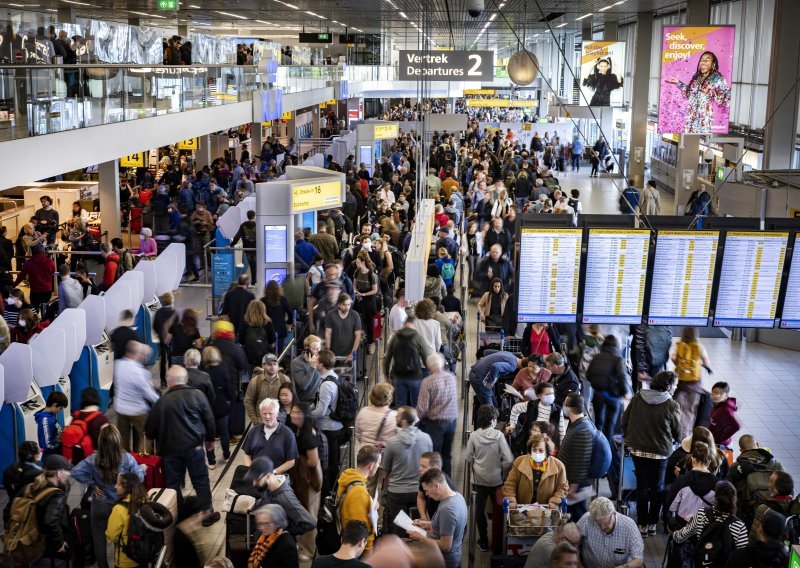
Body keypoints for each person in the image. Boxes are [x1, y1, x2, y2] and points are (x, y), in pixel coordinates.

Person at [145, 365, 220, 526]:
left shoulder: (162, 401)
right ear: (185, 379)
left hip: (169, 452)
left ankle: (178, 517)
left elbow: (149, 430)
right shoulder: (197, 395)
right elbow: (209, 419)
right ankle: (207, 514)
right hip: (194, 448)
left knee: (173, 485)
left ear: (169, 381)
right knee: (200, 481)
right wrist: (210, 440)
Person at [72, 425, 146, 568]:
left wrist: (94, 484)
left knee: (99, 539)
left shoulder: (93, 459)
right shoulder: (127, 458)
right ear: (118, 441)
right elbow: (138, 478)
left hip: (99, 504)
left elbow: (76, 472)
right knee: (121, 537)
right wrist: (142, 468)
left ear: (100, 442)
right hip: (120, 506)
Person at [622, 371, 681, 537]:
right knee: (657, 488)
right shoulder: (672, 405)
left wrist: (629, 437)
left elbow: (624, 420)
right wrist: (676, 440)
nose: (676, 388)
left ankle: (641, 524)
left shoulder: (638, 397)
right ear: (668, 386)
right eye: (675, 384)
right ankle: (652, 523)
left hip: (637, 449)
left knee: (642, 486)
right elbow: (678, 432)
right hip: (660, 452)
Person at [466, 405, 514, 551]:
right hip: (496, 480)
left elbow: (468, 457)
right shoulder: (499, 436)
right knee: (499, 511)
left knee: (479, 512)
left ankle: (484, 541)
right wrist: (502, 472)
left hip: (479, 480)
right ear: (493, 420)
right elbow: (509, 459)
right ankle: (498, 542)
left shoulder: (474, 436)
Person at [383, 407, 433, 536]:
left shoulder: (392, 443)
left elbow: (386, 469)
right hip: (419, 491)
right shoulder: (427, 438)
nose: (395, 417)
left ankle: (402, 552)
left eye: (398, 416)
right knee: (418, 529)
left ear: (404, 421)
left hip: (397, 493)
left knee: (400, 530)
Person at [670, 480, 747, 562]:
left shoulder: (702, 514)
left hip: (704, 561)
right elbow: (742, 557)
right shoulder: (739, 525)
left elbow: (683, 535)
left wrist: (673, 535)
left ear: (715, 496)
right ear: (734, 499)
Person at [408, 467, 468, 568]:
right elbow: (448, 525)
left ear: (436, 486)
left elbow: (445, 546)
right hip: (453, 555)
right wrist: (426, 524)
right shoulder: (458, 496)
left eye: (427, 490)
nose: (427, 494)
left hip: (443, 560)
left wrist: (420, 537)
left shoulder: (447, 509)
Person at [288, 402, 324, 559]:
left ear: (306, 415)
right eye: (293, 412)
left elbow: (313, 461)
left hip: (311, 477)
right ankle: (304, 545)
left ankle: (309, 550)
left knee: (309, 513)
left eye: (299, 412)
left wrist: (296, 463)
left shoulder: (308, 434)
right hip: (306, 475)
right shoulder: (301, 429)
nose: (294, 415)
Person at [246, 457, 316, 538]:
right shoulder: (269, 486)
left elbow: (309, 523)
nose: (254, 484)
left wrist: (283, 532)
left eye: (257, 480)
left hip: (277, 543)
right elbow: (267, 498)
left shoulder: (285, 498)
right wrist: (255, 506)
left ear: (268, 475)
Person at [23, 454, 73, 568]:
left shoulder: (30, 487)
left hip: (31, 543)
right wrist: (59, 543)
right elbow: (50, 520)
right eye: (67, 471)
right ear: (59, 473)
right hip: (48, 550)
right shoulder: (56, 495)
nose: (69, 475)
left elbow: (9, 510)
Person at [666, 51, 731, 133]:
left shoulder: (717, 78)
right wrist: (678, 82)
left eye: (707, 60)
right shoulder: (697, 77)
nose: (703, 62)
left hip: (703, 120)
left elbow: (722, 100)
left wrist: (731, 92)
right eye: (701, 60)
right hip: (690, 117)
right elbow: (689, 94)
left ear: (713, 63)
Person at [728, 434, 784, 523]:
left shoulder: (735, 467)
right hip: (774, 515)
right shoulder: (776, 465)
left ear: (741, 450)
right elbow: (787, 488)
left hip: (746, 515)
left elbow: (730, 494)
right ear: (757, 444)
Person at [114, 341, 159, 453]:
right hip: (138, 411)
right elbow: (149, 394)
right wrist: (162, 401)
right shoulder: (140, 372)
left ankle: (125, 461)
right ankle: (143, 461)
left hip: (120, 408)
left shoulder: (117, 364)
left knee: (123, 439)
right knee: (145, 437)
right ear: (136, 354)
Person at [335, 445, 382, 552]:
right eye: (378, 463)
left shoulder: (348, 477)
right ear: (371, 466)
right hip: (357, 548)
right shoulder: (358, 491)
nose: (379, 466)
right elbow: (361, 529)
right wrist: (368, 549)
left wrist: (370, 503)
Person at [311, 349, 346, 489]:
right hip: (335, 426)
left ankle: (329, 491)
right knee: (333, 462)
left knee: (330, 464)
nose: (314, 360)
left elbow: (321, 411)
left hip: (328, 428)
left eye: (316, 359)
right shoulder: (333, 377)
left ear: (321, 364)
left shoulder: (326, 384)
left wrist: (306, 414)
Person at [576, 497, 644, 568]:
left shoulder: (629, 526)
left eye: (606, 522)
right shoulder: (586, 519)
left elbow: (638, 560)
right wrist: (579, 564)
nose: (602, 527)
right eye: (598, 523)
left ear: (614, 513)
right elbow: (571, 543)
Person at [586, 335, 630, 441]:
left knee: (598, 423)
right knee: (610, 425)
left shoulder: (596, 357)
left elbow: (588, 375)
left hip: (598, 394)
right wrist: (625, 391)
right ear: (617, 346)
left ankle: (597, 446)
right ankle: (608, 450)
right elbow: (622, 376)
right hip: (612, 396)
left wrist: (598, 383)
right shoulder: (618, 359)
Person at [671, 326, 712, 438]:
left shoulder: (679, 345)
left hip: (682, 383)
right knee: (690, 410)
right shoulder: (699, 347)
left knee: (678, 407)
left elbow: (673, 359)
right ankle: (687, 435)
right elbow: (707, 362)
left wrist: (680, 365)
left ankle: (677, 433)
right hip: (695, 383)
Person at [559, 394, 595, 520]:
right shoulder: (577, 424)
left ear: (569, 407)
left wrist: (573, 486)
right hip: (572, 483)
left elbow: (581, 461)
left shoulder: (582, 430)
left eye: (565, 404)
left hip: (577, 486)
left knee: (578, 518)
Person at [666, 441, 719, 525]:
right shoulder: (717, 484)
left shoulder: (681, 480)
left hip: (682, 525)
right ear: (709, 462)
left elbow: (670, 506)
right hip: (705, 529)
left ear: (692, 460)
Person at [242, 398, 299, 474]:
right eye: (264, 413)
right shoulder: (254, 431)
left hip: (277, 476)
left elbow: (291, 461)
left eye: (270, 413)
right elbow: (247, 454)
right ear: (260, 413)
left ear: (277, 414)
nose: (267, 417)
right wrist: (251, 470)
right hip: (256, 476)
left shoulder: (287, 434)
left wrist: (273, 472)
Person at [508, 382, 566, 455]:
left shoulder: (557, 410)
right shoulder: (531, 405)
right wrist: (512, 425)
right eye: (547, 394)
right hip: (531, 443)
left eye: (552, 393)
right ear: (539, 396)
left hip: (548, 445)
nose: (550, 396)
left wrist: (561, 446)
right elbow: (515, 408)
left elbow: (561, 430)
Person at [202, 346, 235, 467]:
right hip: (222, 406)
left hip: (207, 408)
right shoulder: (223, 370)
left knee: (208, 435)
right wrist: (229, 401)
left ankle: (211, 461)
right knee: (224, 433)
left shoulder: (203, 372)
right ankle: (226, 455)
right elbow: (229, 389)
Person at [2, 441, 42, 524]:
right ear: (36, 456)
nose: (41, 450)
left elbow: (7, 486)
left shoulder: (11, 468)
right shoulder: (38, 475)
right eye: (39, 450)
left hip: (11, 508)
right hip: (27, 513)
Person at [14, 244, 55, 312]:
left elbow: (21, 276)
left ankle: (35, 321)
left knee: (34, 310)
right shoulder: (50, 262)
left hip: (35, 290)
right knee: (45, 308)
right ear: (44, 252)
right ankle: (45, 320)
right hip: (47, 290)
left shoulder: (29, 262)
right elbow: (53, 271)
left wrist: (14, 285)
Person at [240, 299, 276, 372]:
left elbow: (241, 340)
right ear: (263, 309)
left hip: (250, 357)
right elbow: (272, 339)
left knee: (253, 378)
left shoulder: (246, 322)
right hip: (265, 356)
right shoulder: (267, 322)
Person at [324, 293, 362, 359]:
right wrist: (328, 351)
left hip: (349, 352)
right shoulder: (331, 314)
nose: (347, 307)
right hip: (334, 352)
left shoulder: (355, 315)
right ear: (339, 304)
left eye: (349, 304)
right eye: (344, 304)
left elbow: (358, 335)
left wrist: (352, 352)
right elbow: (328, 334)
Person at [261, 280, 293, 354]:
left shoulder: (262, 301)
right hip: (280, 329)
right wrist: (289, 323)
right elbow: (290, 313)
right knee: (279, 353)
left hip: (267, 330)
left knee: (268, 353)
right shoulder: (283, 300)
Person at [220, 274, 255, 339]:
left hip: (231, 327)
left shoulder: (229, 294)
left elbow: (224, 311)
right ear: (247, 283)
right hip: (245, 327)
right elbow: (252, 313)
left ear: (238, 282)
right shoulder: (250, 296)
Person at [291, 335, 323, 404]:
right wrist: (312, 367)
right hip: (305, 402)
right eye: (315, 349)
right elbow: (303, 385)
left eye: (319, 348)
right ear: (307, 349)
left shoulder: (320, 360)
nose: (318, 352)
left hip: (319, 400)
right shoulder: (296, 363)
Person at [229, 210, 258, 284]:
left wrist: (231, 245)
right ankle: (254, 280)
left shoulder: (243, 225)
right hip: (256, 248)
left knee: (251, 264)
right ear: (254, 216)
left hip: (247, 248)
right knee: (255, 264)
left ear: (247, 216)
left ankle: (253, 281)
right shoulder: (257, 225)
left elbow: (237, 236)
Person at [709, 381, 740, 448]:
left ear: (726, 396)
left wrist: (720, 439)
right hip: (713, 439)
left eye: (721, 394)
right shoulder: (716, 404)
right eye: (715, 392)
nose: (717, 396)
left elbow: (736, 426)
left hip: (721, 445)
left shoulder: (726, 410)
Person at [35, 391, 67, 457]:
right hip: (51, 458)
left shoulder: (51, 416)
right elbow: (46, 445)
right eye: (60, 408)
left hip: (55, 454)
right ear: (54, 405)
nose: (60, 411)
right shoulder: (45, 420)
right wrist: (60, 446)